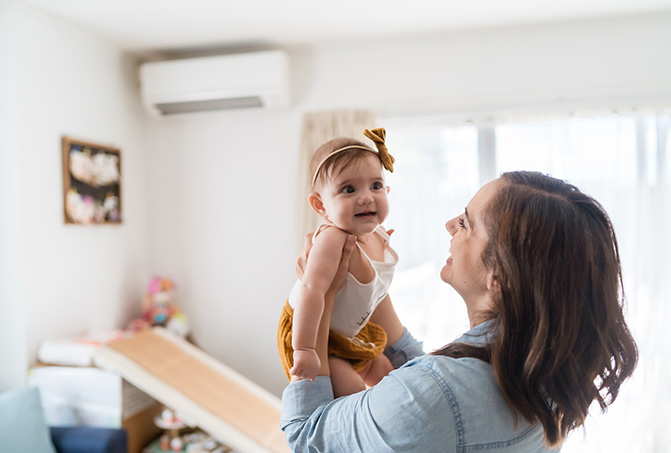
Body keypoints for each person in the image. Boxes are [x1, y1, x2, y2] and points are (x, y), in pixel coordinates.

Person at [281, 171, 638, 452]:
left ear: (499, 277)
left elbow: (308, 434)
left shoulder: (431, 398)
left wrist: (323, 297)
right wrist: (363, 281)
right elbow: (429, 389)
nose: (451, 225)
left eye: (467, 223)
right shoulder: (552, 375)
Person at [277, 128, 405, 397]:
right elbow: (311, 290)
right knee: (353, 391)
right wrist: (306, 350)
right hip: (311, 331)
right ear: (320, 206)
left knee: (389, 375)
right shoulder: (332, 238)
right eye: (349, 189)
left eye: (376, 185)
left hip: (349, 332)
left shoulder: (376, 234)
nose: (366, 197)